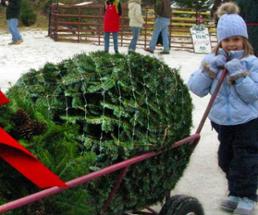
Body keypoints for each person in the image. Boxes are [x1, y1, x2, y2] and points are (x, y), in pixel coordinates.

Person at [188, 2, 258, 215]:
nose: (231, 44)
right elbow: (197, 88)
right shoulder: (212, 61)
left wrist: (237, 73)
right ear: (220, 42)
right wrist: (210, 70)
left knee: (245, 159)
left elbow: (253, 95)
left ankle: (246, 196)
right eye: (226, 40)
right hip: (222, 122)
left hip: (247, 121)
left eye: (236, 39)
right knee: (225, 158)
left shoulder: (252, 63)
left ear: (244, 40)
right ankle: (234, 192)